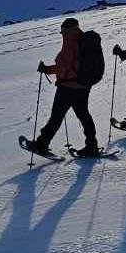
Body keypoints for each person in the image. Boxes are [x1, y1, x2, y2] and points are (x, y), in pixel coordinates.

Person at [32, 18, 101, 156]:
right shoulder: (83, 40)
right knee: (83, 115)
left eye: (63, 30)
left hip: (68, 86)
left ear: (67, 29)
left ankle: (41, 144)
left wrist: (46, 69)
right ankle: (92, 145)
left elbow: (63, 67)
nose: (62, 33)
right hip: (83, 86)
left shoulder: (71, 42)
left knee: (56, 116)